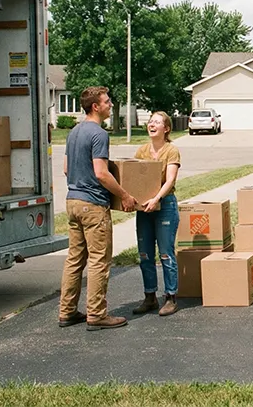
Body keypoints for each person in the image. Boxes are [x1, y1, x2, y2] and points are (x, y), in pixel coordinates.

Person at [58, 86, 137, 331]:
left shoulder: (74, 132)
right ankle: (97, 314)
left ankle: (67, 311)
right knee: (99, 261)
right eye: (107, 101)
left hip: (72, 202)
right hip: (93, 205)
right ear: (96, 106)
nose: (110, 104)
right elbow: (101, 174)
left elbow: (65, 168)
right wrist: (125, 195)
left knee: (74, 260)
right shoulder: (99, 134)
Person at [131, 111, 182, 316]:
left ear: (166, 128)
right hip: (144, 208)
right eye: (150, 121)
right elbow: (134, 178)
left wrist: (156, 199)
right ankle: (149, 296)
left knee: (165, 252)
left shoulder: (171, 150)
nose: (152, 124)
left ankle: (170, 296)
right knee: (144, 253)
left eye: (157, 122)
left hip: (164, 206)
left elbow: (169, 180)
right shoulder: (141, 151)